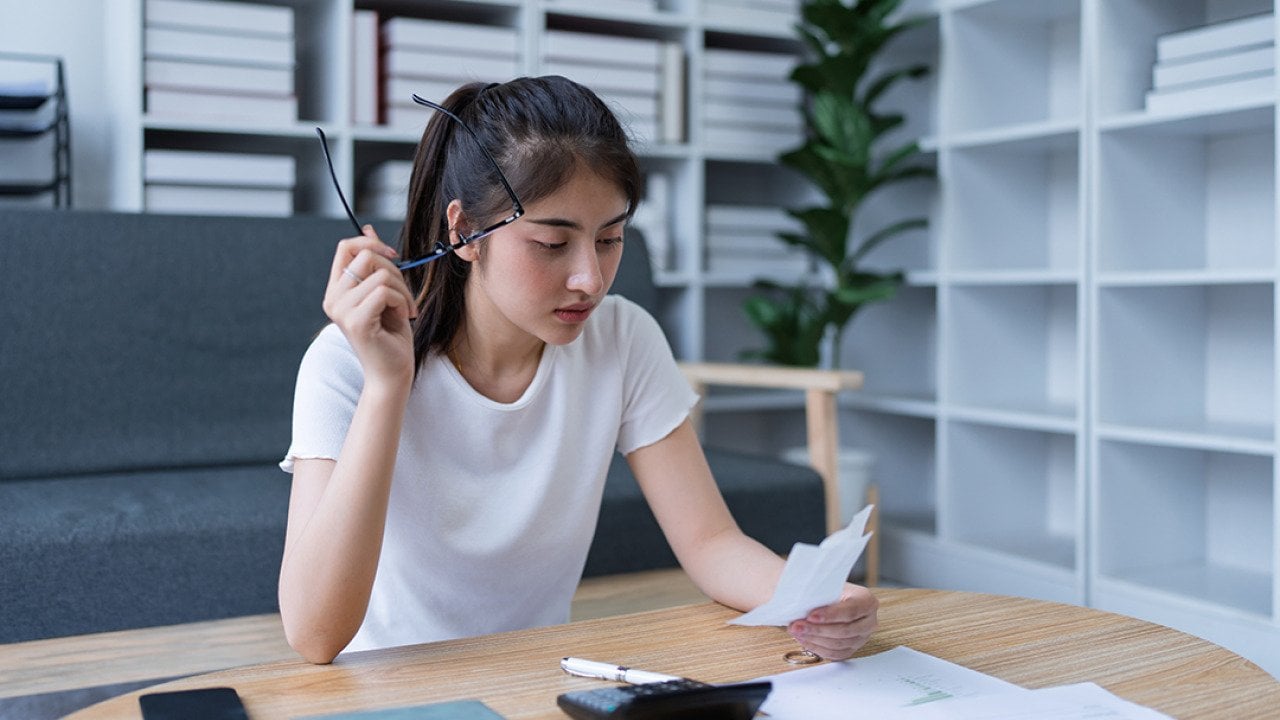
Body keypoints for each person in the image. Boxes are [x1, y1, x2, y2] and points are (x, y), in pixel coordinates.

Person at [278, 76, 878, 665]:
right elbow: (314, 635)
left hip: (543, 679)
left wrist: (818, 597)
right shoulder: (344, 364)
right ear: (463, 231)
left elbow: (711, 543)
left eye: (611, 238)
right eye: (551, 243)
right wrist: (387, 387)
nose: (589, 279)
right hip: (387, 692)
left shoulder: (622, 338)